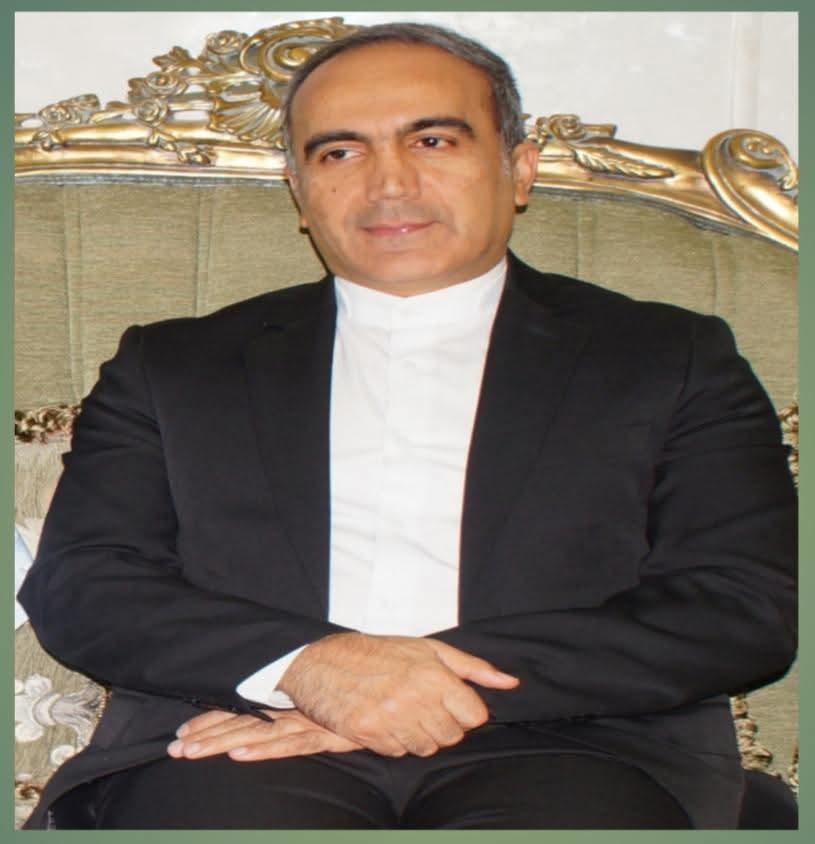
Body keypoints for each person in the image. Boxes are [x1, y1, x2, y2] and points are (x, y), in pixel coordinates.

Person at [19, 22, 797, 829]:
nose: (388, 183)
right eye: (339, 152)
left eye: (432, 140)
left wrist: (409, 690)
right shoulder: (173, 366)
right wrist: (308, 668)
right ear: (298, 188)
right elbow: (86, 585)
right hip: (235, 740)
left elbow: (737, 604)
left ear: (519, 169)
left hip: (577, 745)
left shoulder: (669, 357)